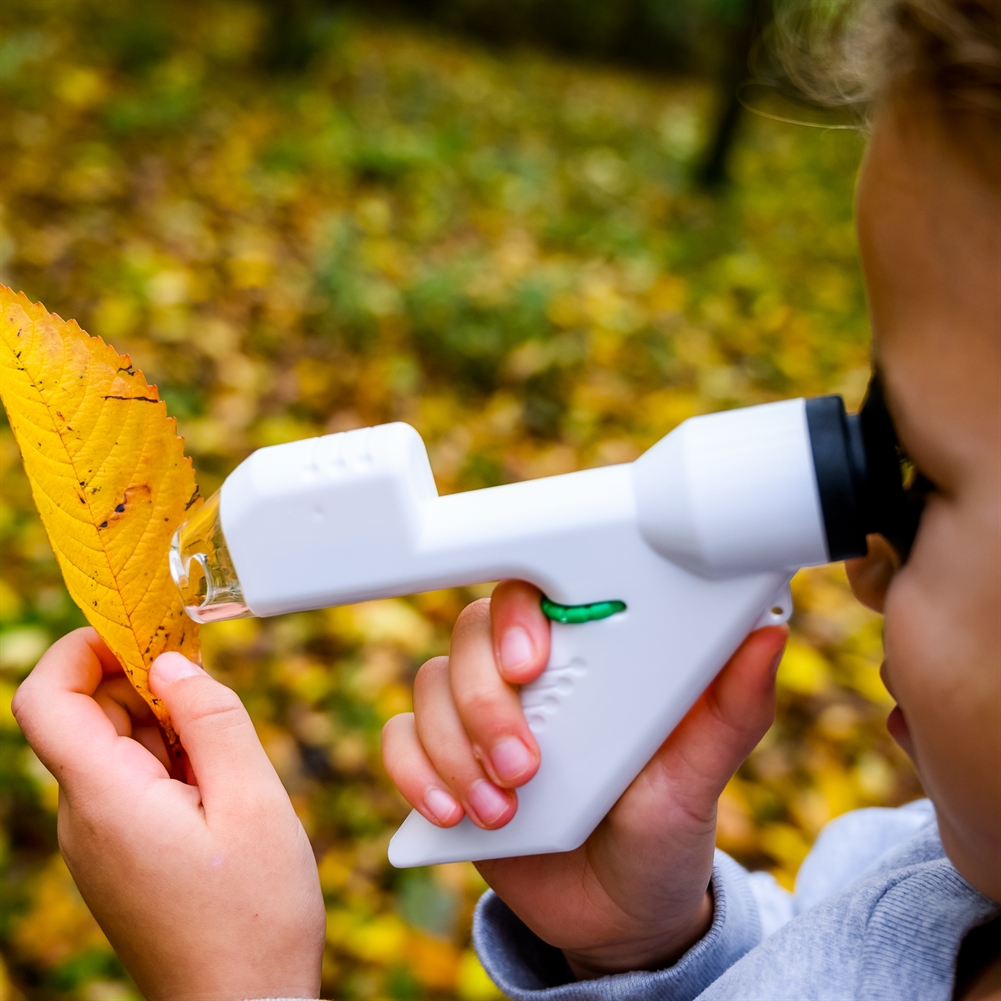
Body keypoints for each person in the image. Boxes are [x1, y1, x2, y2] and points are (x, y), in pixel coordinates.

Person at [11, 1, 999, 999]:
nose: (860, 558)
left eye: (919, 474)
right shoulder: (911, 869)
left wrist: (238, 981)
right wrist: (647, 942)